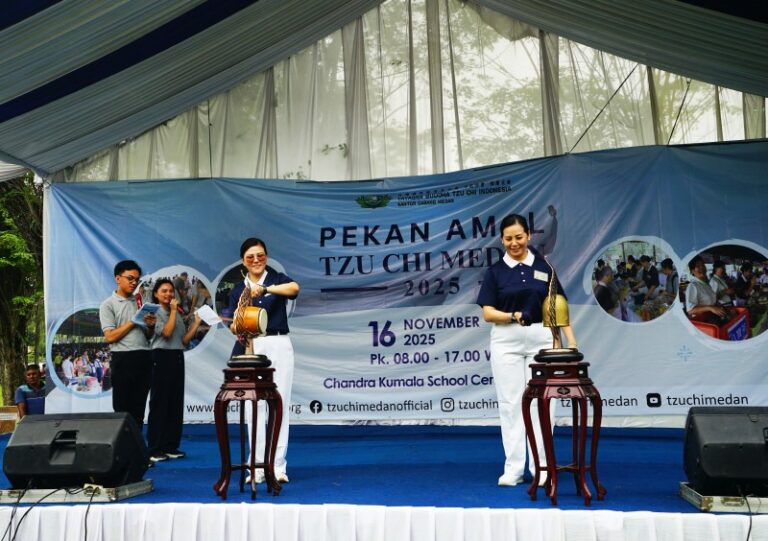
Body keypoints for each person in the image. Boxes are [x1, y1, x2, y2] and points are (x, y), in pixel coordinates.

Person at [476, 214, 577, 487]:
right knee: (511, 403)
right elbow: (488, 313)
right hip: (506, 340)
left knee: (543, 402)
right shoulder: (495, 272)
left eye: (519, 237)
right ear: (502, 240)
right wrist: (513, 316)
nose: (514, 243)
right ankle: (514, 469)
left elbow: (558, 307)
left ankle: (541, 467)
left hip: (542, 339)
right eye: (508, 238)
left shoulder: (544, 267)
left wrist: (566, 342)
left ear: (529, 236)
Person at [227, 238, 300, 484]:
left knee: (279, 403)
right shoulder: (238, 290)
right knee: (253, 405)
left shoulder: (277, 279)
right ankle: (256, 467)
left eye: (260, 255)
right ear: (243, 261)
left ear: (266, 257)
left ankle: (277, 466)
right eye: (250, 257)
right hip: (251, 347)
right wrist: (236, 325)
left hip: (278, 342)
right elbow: (233, 323)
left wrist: (266, 290)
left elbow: (294, 289)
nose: (256, 260)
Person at [147, 279, 202, 463]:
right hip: (161, 356)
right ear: (156, 294)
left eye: (171, 291)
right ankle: (154, 448)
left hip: (177, 356)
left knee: (175, 403)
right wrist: (172, 311)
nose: (169, 294)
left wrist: (196, 323)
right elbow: (167, 333)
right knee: (160, 403)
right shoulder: (153, 313)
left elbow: (183, 341)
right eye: (164, 291)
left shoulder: (176, 313)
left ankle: (170, 446)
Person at [99, 260, 156, 431]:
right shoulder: (108, 304)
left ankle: (136, 445)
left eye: (137, 280)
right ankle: (123, 446)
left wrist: (151, 326)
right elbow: (110, 336)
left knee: (139, 409)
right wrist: (133, 321)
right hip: (123, 359)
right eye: (130, 278)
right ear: (118, 278)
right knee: (122, 410)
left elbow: (148, 336)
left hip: (144, 357)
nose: (134, 283)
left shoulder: (140, 302)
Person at [685, 256, 727, 320]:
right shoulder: (693, 286)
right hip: (702, 321)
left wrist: (718, 305)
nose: (702, 267)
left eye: (703, 265)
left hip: (712, 318)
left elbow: (712, 301)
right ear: (692, 271)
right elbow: (690, 311)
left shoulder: (707, 285)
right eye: (698, 266)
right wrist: (710, 308)